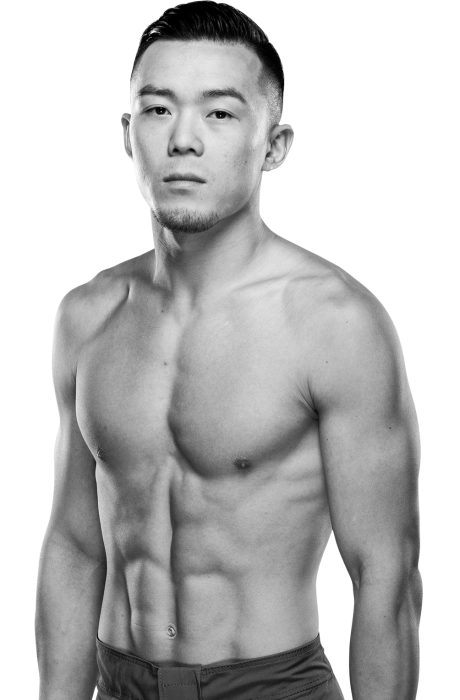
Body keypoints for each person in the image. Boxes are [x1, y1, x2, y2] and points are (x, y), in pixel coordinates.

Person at [35, 2, 422, 699]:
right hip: (120, 684)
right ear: (127, 135)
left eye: (218, 113)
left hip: (270, 685)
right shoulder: (87, 316)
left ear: (274, 146)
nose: (183, 140)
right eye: (158, 110)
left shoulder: (334, 322)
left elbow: (384, 576)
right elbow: (75, 544)